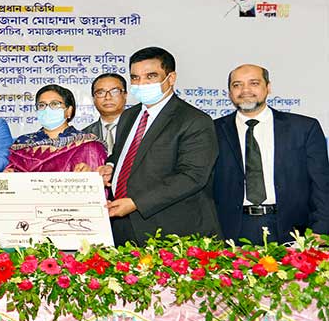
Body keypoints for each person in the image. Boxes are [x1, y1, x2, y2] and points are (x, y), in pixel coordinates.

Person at [103, 46, 222, 245]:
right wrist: (110, 167)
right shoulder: (128, 116)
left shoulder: (194, 120)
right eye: (135, 78)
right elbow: (122, 155)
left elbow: (192, 176)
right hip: (123, 227)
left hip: (170, 230)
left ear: (171, 78)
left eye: (150, 76)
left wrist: (136, 203)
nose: (141, 84)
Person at [213, 64, 329, 244]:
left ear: (268, 87)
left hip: (293, 229)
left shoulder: (303, 128)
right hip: (231, 230)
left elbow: (321, 184)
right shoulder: (212, 131)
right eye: (237, 85)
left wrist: (321, 228)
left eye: (254, 83)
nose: (245, 90)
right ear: (229, 92)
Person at [5, 84, 107, 172]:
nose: (47, 109)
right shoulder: (22, 144)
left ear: (69, 111)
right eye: (42, 105)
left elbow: (98, 181)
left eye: (54, 104)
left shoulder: (88, 145)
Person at [83, 73, 128, 153]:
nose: (108, 97)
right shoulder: (84, 136)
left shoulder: (139, 129)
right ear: (93, 98)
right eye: (100, 93)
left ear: (125, 95)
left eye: (114, 91)